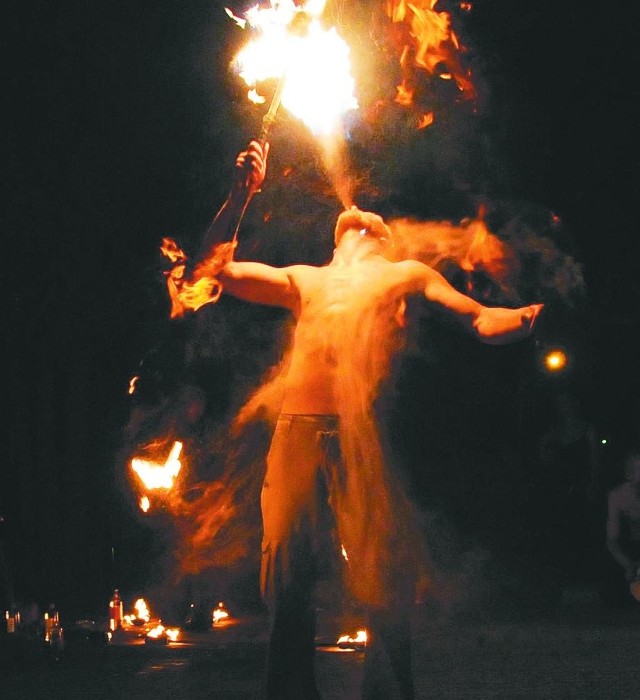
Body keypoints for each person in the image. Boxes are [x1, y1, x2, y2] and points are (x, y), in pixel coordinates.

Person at [167, 140, 544, 699]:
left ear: (382, 239)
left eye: (373, 216)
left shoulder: (404, 274)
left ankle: (389, 691)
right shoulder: (306, 279)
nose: (360, 211)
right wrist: (239, 194)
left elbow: (478, 318)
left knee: (380, 572)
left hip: (359, 436)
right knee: (286, 574)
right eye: (352, 214)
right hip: (296, 431)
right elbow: (212, 272)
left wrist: (518, 318)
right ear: (336, 237)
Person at [603, 449, 640, 606]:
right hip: (630, 551)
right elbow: (612, 540)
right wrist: (629, 565)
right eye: (627, 464)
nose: (628, 468)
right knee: (612, 594)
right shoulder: (617, 495)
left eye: (634, 465)